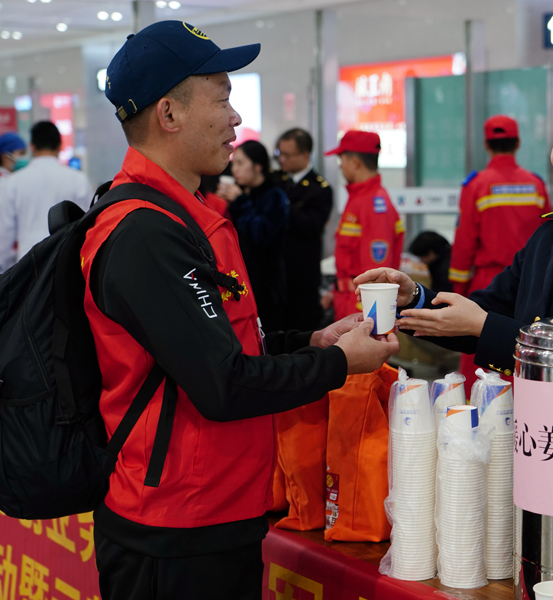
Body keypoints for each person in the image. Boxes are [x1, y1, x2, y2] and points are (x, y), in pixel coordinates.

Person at [90, 21, 399, 599]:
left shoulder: (187, 217)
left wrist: (313, 343)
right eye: (224, 98)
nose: (236, 118)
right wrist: (339, 366)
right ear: (169, 114)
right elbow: (224, 384)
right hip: (172, 532)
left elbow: (226, 345)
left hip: (215, 513)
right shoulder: (144, 234)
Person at [355, 83, 553, 379]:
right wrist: (415, 297)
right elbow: (482, 310)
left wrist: (484, 326)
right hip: (532, 434)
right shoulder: (550, 238)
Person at [448, 115, 550, 389]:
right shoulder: (536, 185)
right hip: (530, 284)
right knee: (526, 353)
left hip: (488, 283)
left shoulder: (476, 186)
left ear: (486, 144)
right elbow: (550, 236)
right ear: (517, 143)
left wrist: (458, 288)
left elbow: (464, 242)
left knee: (480, 359)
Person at [326, 130, 404, 321]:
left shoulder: (374, 204)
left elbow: (378, 272)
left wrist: (370, 318)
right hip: (349, 302)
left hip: (361, 310)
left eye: (341, 159)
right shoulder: (360, 199)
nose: (341, 166)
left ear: (355, 162)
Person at [0, 121, 92, 272]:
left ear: (32, 147)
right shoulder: (78, 180)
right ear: (60, 146)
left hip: (26, 268)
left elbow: (4, 237)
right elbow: (88, 227)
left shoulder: (13, 183)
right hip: (66, 268)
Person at [217, 140, 289, 331]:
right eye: (233, 164)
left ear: (258, 166)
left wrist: (240, 201)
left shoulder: (275, 196)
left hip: (267, 285)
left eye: (240, 163)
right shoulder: (241, 194)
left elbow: (262, 235)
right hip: (241, 279)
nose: (235, 170)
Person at [276, 128, 333, 331]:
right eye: (279, 154)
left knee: (302, 328)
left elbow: (311, 226)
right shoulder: (278, 181)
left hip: (302, 273)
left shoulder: (320, 189)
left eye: (287, 155)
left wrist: (283, 203)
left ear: (305, 155)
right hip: (277, 272)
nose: (282, 160)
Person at [408, 230, 452, 295]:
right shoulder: (446, 255)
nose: (421, 261)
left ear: (431, 253)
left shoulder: (443, 270)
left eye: (421, 256)